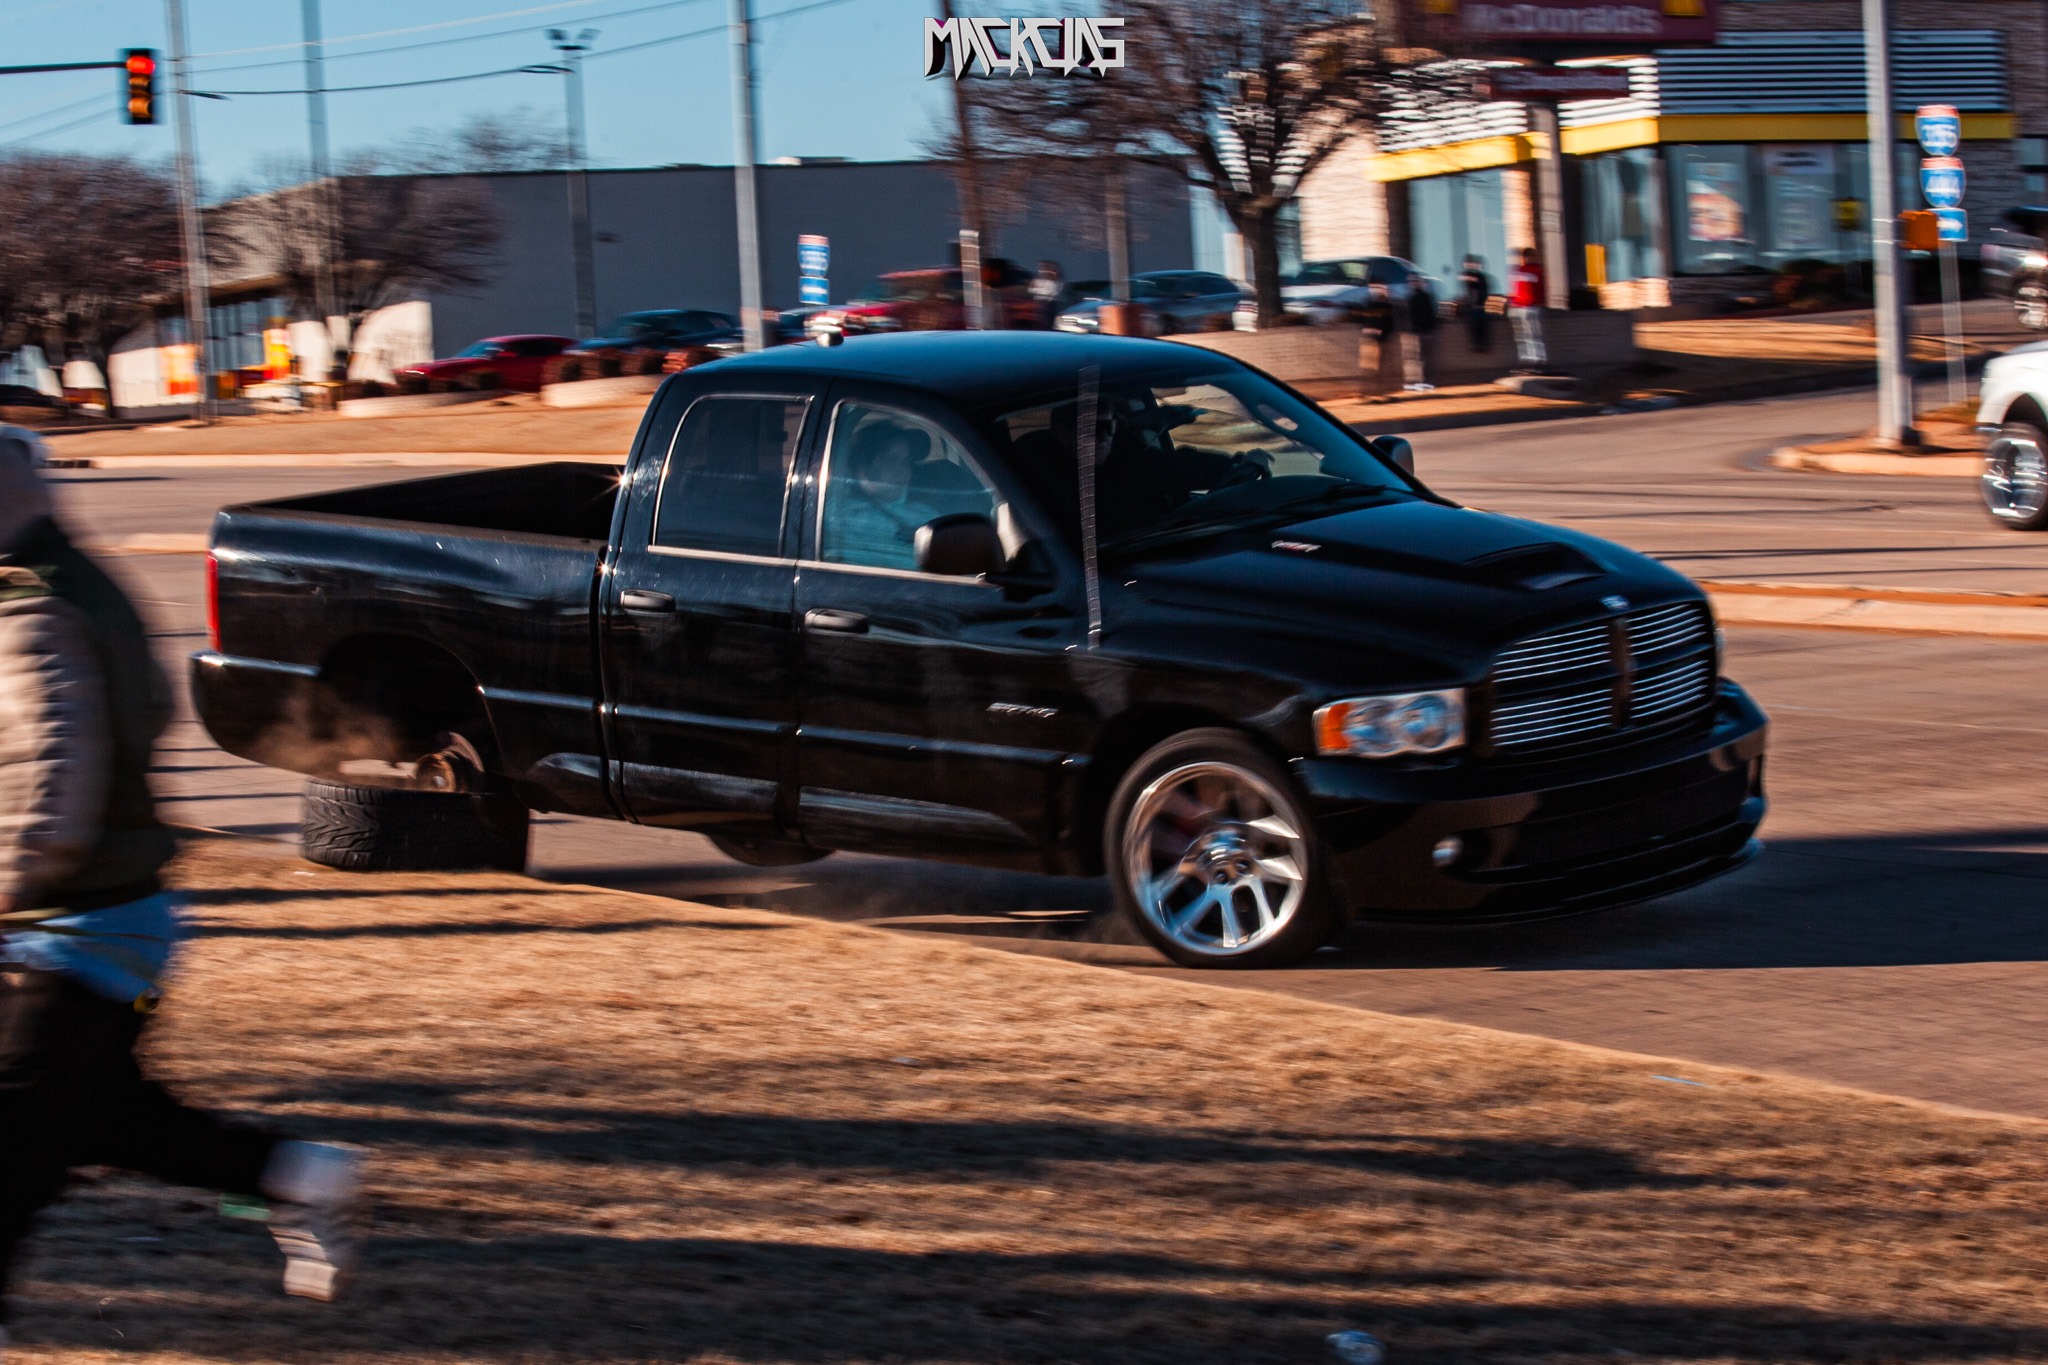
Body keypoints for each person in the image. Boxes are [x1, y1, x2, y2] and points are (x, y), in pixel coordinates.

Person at [0, 438, 364, 1337]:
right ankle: (292, 1171)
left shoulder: (33, 606)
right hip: (106, 912)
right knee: (100, 1117)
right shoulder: (74, 580)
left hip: (70, 927)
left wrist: (13, 883)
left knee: (13, 1152)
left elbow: (54, 779)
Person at [1507, 246, 1548, 373]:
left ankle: (1538, 360)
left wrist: (1539, 301)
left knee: (1534, 335)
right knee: (1521, 336)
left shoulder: (1537, 270)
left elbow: (1541, 289)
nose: (1525, 259)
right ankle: (1525, 360)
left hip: (1531, 306)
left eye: (1528, 256)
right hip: (1518, 306)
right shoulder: (1517, 270)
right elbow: (1514, 288)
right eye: (1524, 256)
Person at [1401, 272, 1440, 393]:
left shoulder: (1415, 298)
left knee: (1419, 360)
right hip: (1420, 332)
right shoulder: (1418, 297)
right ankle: (1422, 382)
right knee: (1421, 360)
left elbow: (1429, 315)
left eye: (1413, 281)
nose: (1411, 284)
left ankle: (1422, 383)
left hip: (1420, 332)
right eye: (1410, 282)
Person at [1458, 254, 1493, 354]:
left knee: (1480, 327)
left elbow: (1478, 290)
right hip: (1475, 307)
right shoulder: (1471, 276)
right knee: (1476, 327)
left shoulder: (1478, 277)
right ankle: (1479, 344)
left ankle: (1480, 344)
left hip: (1478, 307)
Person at [1029, 259, 1064, 329]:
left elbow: (1053, 293)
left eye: (1047, 268)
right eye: (1042, 268)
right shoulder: (1036, 281)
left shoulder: (1058, 283)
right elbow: (1031, 290)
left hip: (1051, 308)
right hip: (1038, 308)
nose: (1044, 271)